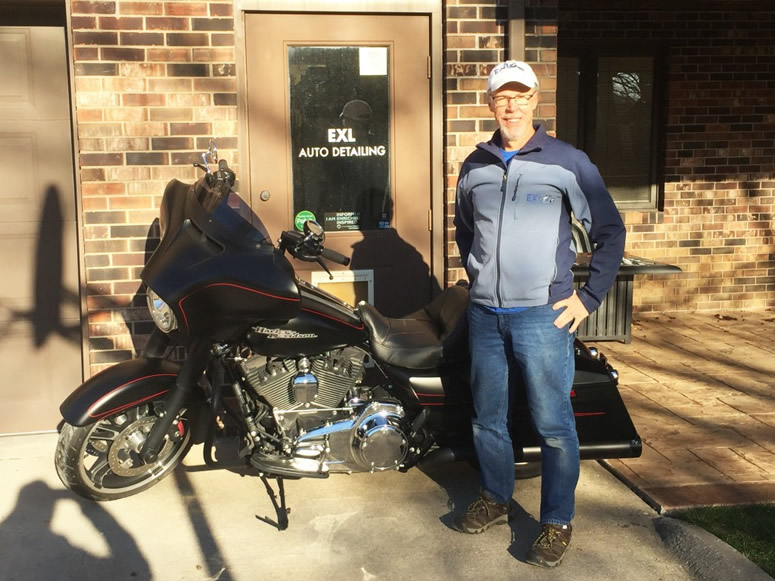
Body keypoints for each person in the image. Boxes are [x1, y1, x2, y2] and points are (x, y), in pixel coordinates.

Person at [453, 60, 626, 568]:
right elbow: (467, 232)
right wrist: (483, 276)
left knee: (553, 425)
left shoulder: (568, 162)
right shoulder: (474, 166)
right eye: (501, 96)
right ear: (489, 104)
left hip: (542, 318)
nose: (511, 105)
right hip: (485, 314)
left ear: (534, 100)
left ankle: (556, 521)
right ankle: (494, 495)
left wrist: (587, 298)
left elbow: (609, 233)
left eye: (520, 95)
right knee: (488, 419)